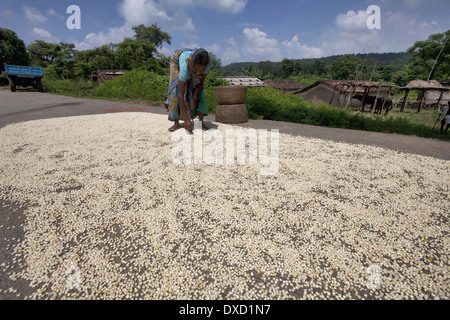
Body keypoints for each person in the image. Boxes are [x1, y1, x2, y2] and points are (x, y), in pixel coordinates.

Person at [165, 48, 211, 134]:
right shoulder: (185, 68)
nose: (198, 73)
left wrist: (194, 97)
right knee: (175, 90)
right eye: (196, 70)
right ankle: (176, 123)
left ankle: (200, 123)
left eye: (201, 71)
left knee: (199, 91)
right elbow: (180, 95)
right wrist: (186, 120)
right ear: (192, 65)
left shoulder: (207, 65)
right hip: (177, 59)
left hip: (191, 57)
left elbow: (200, 84)